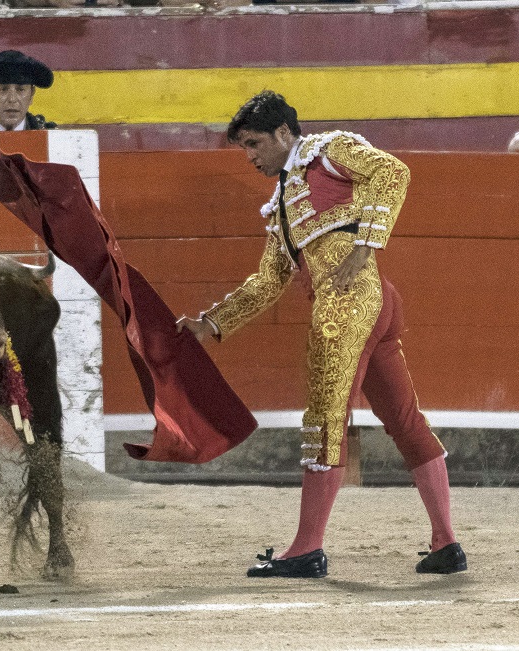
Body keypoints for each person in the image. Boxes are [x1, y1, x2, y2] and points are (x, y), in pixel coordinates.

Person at [176, 91, 466, 578]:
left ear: (284, 134)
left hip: (349, 303)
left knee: (325, 420)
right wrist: (212, 323)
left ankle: (306, 550)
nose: (249, 156)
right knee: (403, 420)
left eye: (253, 144)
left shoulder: (328, 150)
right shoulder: (282, 207)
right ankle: (446, 543)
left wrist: (364, 245)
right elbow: (270, 281)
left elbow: (392, 172)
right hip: (371, 305)